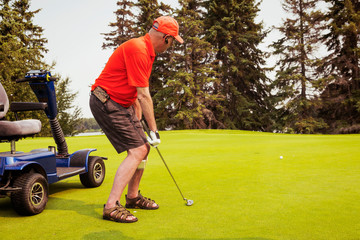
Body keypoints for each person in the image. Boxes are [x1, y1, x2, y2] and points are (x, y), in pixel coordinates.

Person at [89, 16, 183, 223]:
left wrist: (139, 122)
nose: (172, 46)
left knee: (144, 148)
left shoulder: (147, 51)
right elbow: (143, 94)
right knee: (138, 150)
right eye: (173, 41)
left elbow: (134, 92)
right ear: (166, 38)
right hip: (106, 101)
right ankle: (111, 207)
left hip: (122, 103)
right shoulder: (139, 49)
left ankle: (132, 197)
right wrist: (154, 129)